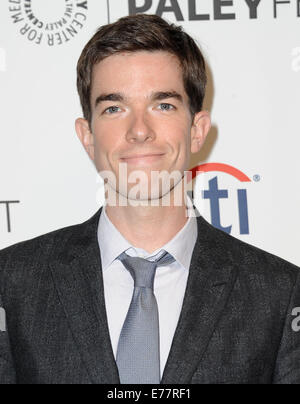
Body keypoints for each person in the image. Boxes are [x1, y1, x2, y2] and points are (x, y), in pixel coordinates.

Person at [0, 14, 299, 385]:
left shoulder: (279, 292)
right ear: (87, 136)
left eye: (163, 105)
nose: (139, 130)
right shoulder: (11, 283)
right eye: (114, 108)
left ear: (197, 131)